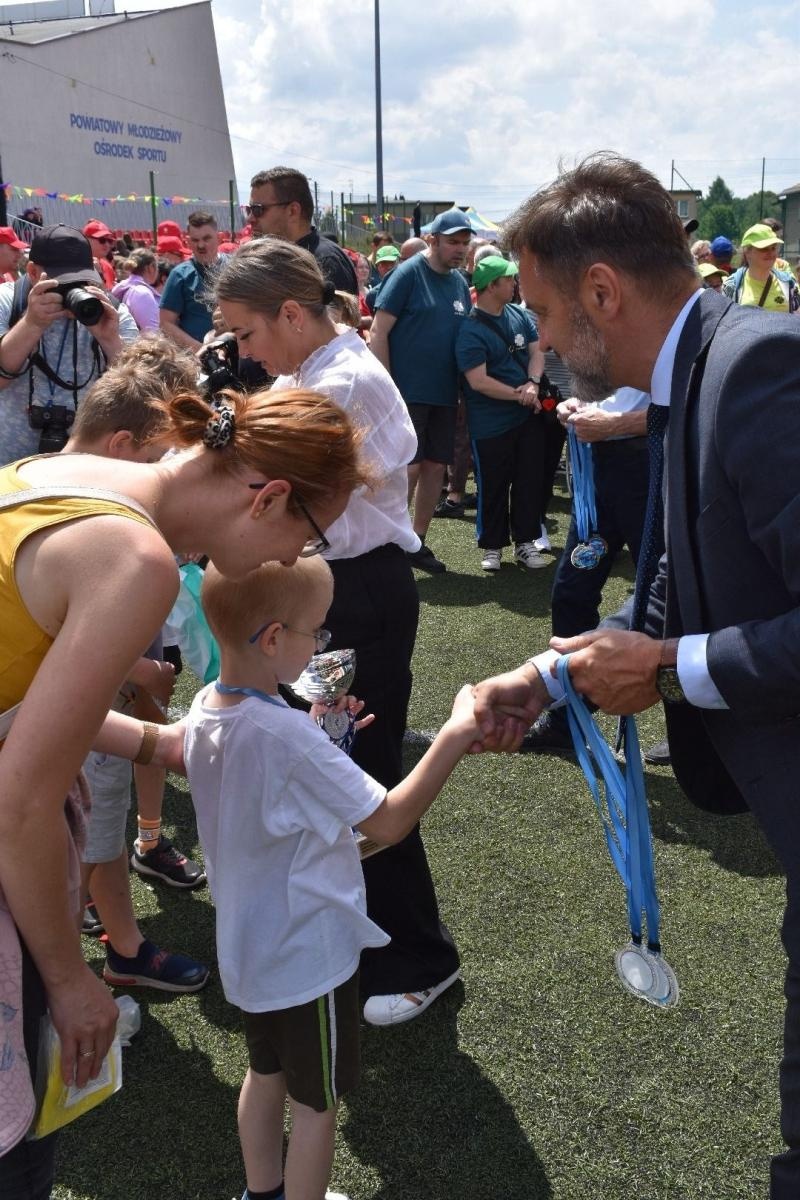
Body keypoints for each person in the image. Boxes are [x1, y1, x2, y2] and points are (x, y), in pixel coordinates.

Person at [472, 151, 800, 1200]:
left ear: (600, 292)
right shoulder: (688, 371)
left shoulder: (755, 366)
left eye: (542, 311)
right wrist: (554, 673)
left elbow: (672, 635)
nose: (539, 338)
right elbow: (672, 586)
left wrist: (663, 666)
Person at [0, 378, 366, 1197]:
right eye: (310, 536)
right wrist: (69, 980)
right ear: (270, 497)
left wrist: (169, 741)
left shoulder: (53, 471)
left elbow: (40, 704)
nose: (289, 562)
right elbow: (18, 801)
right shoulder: (139, 562)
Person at [215, 239, 461, 1027]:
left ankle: (422, 956)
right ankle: (379, 941)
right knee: (338, 767)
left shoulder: (344, 381)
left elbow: (277, 492)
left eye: (246, 334)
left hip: (355, 593)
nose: (243, 353)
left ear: (291, 312)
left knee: (365, 777)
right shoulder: (313, 373)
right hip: (333, 590)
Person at [185, 555, 481, 1200]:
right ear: (272, 639)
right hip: (307, 956)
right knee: (317, 1105)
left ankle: (261, 1192)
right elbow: (390, 823)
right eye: (315, 633)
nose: (322, 645)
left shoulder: (208, 707)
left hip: (251, 947)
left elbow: (274, 798)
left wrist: (320, 731)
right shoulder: (289, 734)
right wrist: (455, 735)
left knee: (264, 1074)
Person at [64, 356, 210, 991]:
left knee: (95, 835)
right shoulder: (91, 518)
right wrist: (140, 666)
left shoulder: (57, 484)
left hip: (100, 712)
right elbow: (64, 639)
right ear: (123, 445)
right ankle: (106, 963)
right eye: (158, 463)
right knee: (87, 840)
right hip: (84, 721)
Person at [370, 208, 473, 573]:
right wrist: (387, 387)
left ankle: (416, 542)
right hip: (407, 393)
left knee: (433, 467)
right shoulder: (408, 273)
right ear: (433, 240)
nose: (460, 249)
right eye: (453, 242)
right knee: (407, 469)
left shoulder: (460, 282)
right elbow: (377, 333)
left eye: (464, 242)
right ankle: (390, 542)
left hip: (445, 393)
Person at [0, 224, 138, 466]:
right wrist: (31, 324)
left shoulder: (110, 310)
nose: (74, 290)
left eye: (81, 281)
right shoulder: (6, 301)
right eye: (62, 282)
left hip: (85, 466)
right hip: (8, 465)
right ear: (32, 272)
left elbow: (139, 392)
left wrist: (109, 339)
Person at [454, 254, 548, 572]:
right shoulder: (469, 330)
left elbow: (537, 352)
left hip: (526, 417)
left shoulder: (519, 316)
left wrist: (533, 384)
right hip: (490, 423)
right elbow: (477, 382)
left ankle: (525, 543)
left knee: (529, 481)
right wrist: (520, 395)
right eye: (508, 279)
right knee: (493, 485)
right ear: (491, 286)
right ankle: (492, 547)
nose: (514, 284)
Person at [246, 167, 358, 295]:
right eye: (249, 210)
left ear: (293, 211)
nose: (250, 218)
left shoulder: (325, 261)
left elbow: (340, 315)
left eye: (258, 209)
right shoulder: (271, 257)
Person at [159, 211, 224, 350]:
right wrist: (202, 350)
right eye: (195, 240)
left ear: (219, 238)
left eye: (207, 238)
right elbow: (166, 323)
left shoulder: (235, 267)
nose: (201, 245)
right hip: (200, 359)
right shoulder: (179, 275)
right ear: (188, 241)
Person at [722, 223, 800, 312]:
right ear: (747, 252)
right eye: (764, 249)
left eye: (773, 248)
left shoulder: (789, 283)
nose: (770, 253)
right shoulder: (731, 286)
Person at [111, 247, 161, 332]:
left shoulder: (131, 288)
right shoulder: (142, 293)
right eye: (157, 267)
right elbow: (153, 334)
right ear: (150, 268)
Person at [82, 220, 117, 291]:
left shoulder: (107, 266)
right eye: (102, 240)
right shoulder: (76, 266)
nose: (107, 245)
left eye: (109, 241)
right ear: (86, 240)